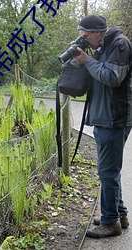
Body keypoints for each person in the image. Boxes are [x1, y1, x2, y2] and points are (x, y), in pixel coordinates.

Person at [74, 15, 132, 238]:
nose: (85, 41)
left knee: (107, 171)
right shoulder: (103, 46)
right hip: (104, 117)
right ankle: (119, 214)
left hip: (114, 118)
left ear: (98, 32)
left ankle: (110, 223)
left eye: (86, 37)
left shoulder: (120, 44)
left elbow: (111, 77)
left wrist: (87, 61)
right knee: (109, 171)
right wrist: (84, 60)